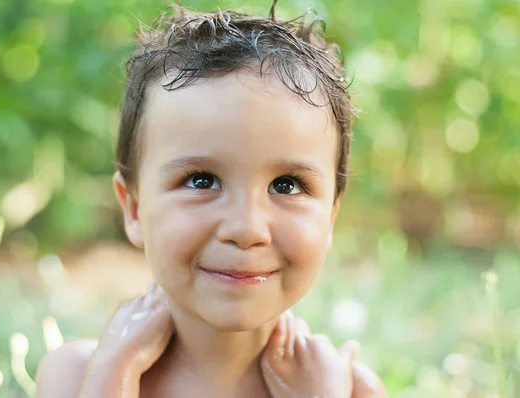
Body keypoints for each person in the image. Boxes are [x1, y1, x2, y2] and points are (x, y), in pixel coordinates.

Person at [35, 3, 388, 397]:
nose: (246, 228)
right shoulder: (78, 377)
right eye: (202, 180)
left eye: (286, 185)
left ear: (330, 219)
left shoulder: (349, 390)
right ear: (134, 208)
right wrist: (113, 377)